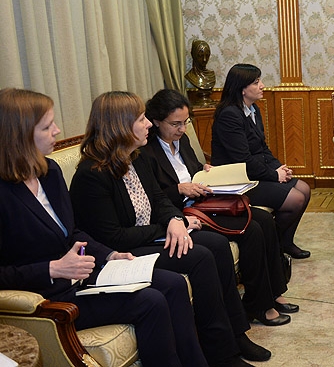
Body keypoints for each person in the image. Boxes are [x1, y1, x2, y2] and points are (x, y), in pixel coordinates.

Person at [0, 88, 207, 367]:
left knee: (172, 284)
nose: (57, 130)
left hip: (84, 274)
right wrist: (51, 269)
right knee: (151, 302)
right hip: (48, 296)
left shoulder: (48, 171)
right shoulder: (5, 192)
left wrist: (109, 255)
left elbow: (72, 231)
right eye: (47, 127)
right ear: (19, 135)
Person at [70, 91, 270, 367]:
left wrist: (175, 220)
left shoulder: (136, 158)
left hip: (148, 236)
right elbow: (114, 237)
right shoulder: (92, 175)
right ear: (120, 126)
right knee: (200, 257)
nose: (148, 124)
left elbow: (159, 199)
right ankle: (221, 354)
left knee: (215, 245)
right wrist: (166, 228)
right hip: (123, 251)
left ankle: (235, 336)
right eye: (142, 119)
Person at [142, 88, 296, 327]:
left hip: (204, 202)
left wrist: (205, 171)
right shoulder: (146, 152)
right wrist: (180, 189)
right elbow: (153, 197)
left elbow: (193, 169)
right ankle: (258, 305)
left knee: (265, 221)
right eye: (175, 124)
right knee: (252, 230)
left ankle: (274, 293)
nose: (182, 129)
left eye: (185, 122)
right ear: (156, 121)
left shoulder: (181, 141)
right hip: (183, 212)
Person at [211, 63, 311, 259]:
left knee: (305, 189)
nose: (262, 86)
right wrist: (274, 175)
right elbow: (243, 160)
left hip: (255, 173)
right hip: (237, 181)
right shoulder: (229, 115)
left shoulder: (252, 109)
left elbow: (262, 148)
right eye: (256, 82)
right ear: (242, 89)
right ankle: (273, 245)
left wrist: (280, 168)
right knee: (296, 199)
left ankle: (284, 242)